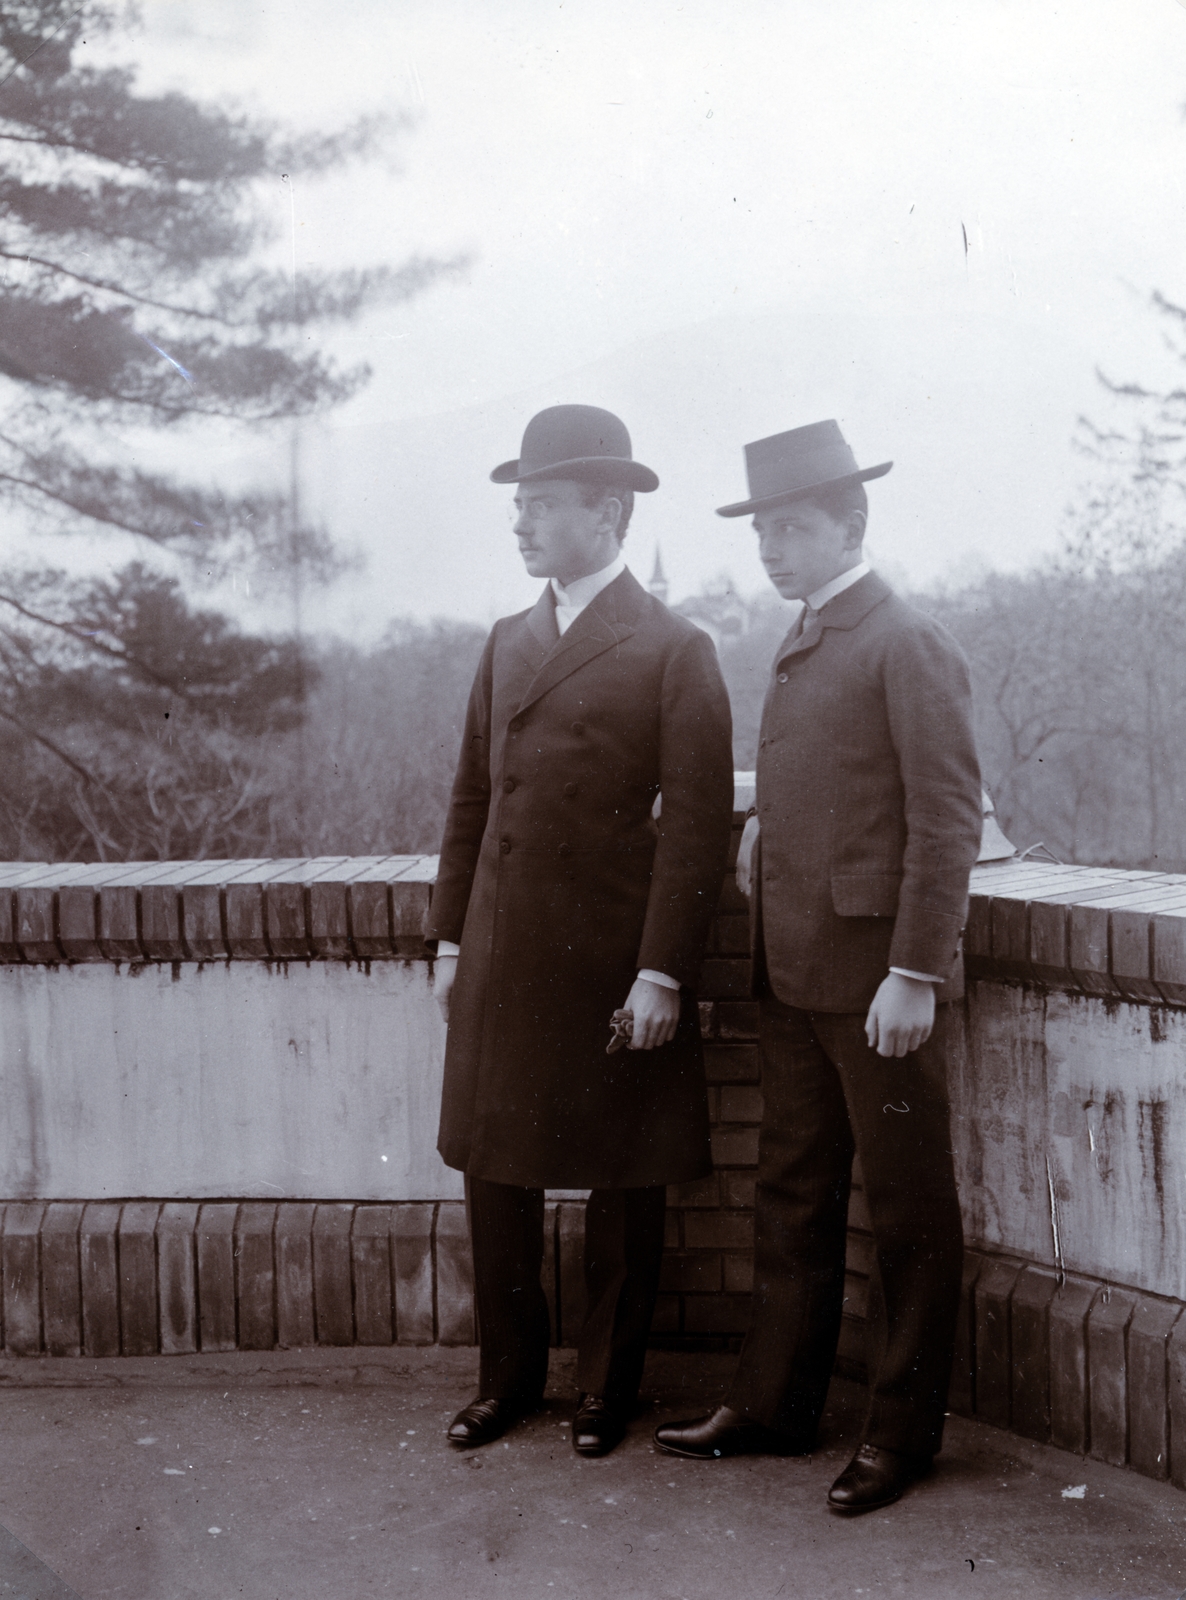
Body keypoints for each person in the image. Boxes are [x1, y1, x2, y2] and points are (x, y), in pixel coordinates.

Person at [654, 419, 983, 1514]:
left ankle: (902, 1434)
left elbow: (944, 822)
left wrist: (916, 972)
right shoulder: (806, 634)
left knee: (904, 1212)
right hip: (790, 976)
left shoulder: (903, 639)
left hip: (872, 985)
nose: (771, 549)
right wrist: (761, 830)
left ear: (851, 522)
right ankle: (773, 1403)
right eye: (762, 530)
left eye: (791, 527)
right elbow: (837, 787)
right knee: (789, 1196)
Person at [426, 404, 734, 1458]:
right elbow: (471, 797)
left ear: (606, 510)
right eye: (518, 506)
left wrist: (660, 971)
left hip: (610, 959)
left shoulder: (673, 648)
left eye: (544, 505)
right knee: (494, 1169)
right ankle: (505, 1378)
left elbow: (696, 830)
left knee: (622, 1176)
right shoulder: (507, 640)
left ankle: (606, 1387)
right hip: (503, 953)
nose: (522, 525)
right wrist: (449, 939)